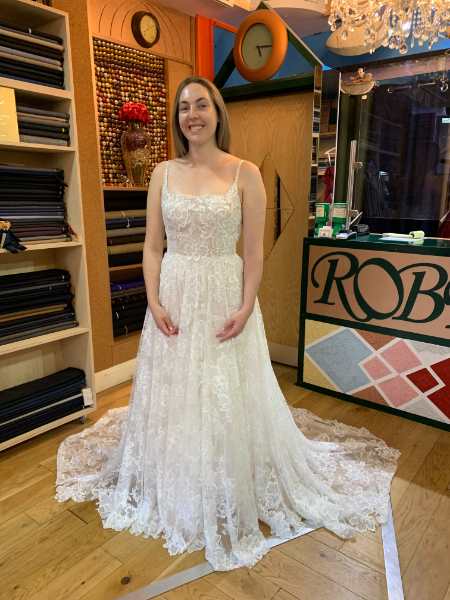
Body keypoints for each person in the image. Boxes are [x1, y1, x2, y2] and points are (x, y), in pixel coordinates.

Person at [55, 76, 400, 572]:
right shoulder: (162, 173)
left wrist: (246, 304)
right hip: (174, 293)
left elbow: (254, 252)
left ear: (217, 113)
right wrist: (153, 300)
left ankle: (227, 472)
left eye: (201, 105)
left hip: (223, 294)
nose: (192, 115)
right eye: (183, 107)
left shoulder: (244, 173)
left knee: (224, 387)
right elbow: (152, 246)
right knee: (177, 387)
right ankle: (176, 471)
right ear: (177, 119)